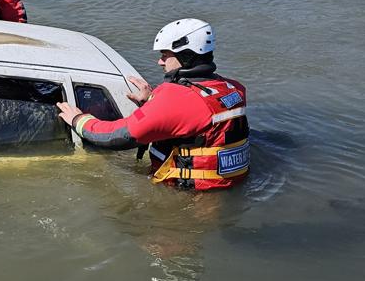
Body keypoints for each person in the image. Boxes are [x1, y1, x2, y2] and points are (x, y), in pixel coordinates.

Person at [55, 18, 249, 190]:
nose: (160, 62)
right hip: (224, 188)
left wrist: (79, 119)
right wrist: (151, 102)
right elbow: (199, 121)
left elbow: (118, 136)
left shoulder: (176, 98)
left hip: (187, 197)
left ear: (186, 57)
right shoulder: (233, 89)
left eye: (165, 55)